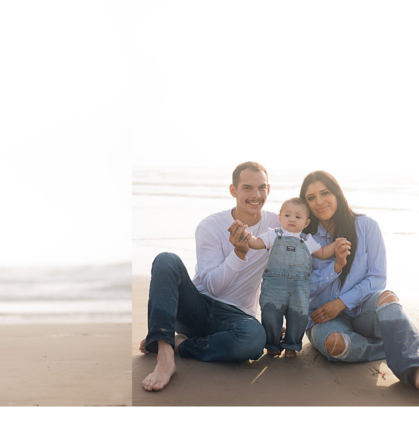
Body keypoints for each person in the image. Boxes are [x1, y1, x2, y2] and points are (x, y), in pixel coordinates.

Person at [140, 161, 277, 392]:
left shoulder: (278, 225)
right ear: (233, 190)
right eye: (247, 188)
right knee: (166, 259)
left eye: (261, 188)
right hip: (197, 308)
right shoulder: (211, 226)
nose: (256, 195)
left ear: (269, 190)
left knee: (254, 339)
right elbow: (213, 287)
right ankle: (164, 354)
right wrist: (239, 254)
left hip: (235, 318)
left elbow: (309, 247)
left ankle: (182, 344)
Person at [300, 171, 419, 390]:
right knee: (335, 345)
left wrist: (342, 302)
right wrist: (335, 268)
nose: (319, 201)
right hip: (323, 318)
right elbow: (302, 288)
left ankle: (414, 370)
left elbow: (377, 278)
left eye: (324, 193)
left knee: (388, 298)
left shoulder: (367, 226)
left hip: (363, 309)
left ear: (336, 193)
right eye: (311, 197)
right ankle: (390, 346)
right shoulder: (304, 238)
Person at [242, 198, 347, 356]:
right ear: (280, 217)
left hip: (299, 289)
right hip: (274, 288)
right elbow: (256, 243)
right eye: (287, 215)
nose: (292, 219)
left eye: (298, 217)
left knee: (298, 317)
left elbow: (323, 253)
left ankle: (291, 345)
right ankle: (272, 344)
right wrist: (245, 236)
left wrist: (336, 245)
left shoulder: (307, 240)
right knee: (270, 315)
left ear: (306, 222)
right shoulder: (273, 234)